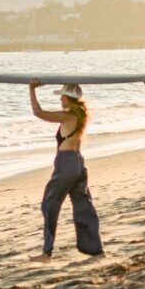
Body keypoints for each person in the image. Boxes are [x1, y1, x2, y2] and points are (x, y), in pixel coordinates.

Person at [28, 80, 104, 263]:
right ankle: (96, 250)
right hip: (78, 163)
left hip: (66, 164)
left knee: (49, 204)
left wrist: (31, 89)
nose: (60, 98)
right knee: (83, 205)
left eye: (62, 95)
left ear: (68, 98)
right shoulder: (80, 114)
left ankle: (47, 254)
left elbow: (38, 113)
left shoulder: (67, 116)